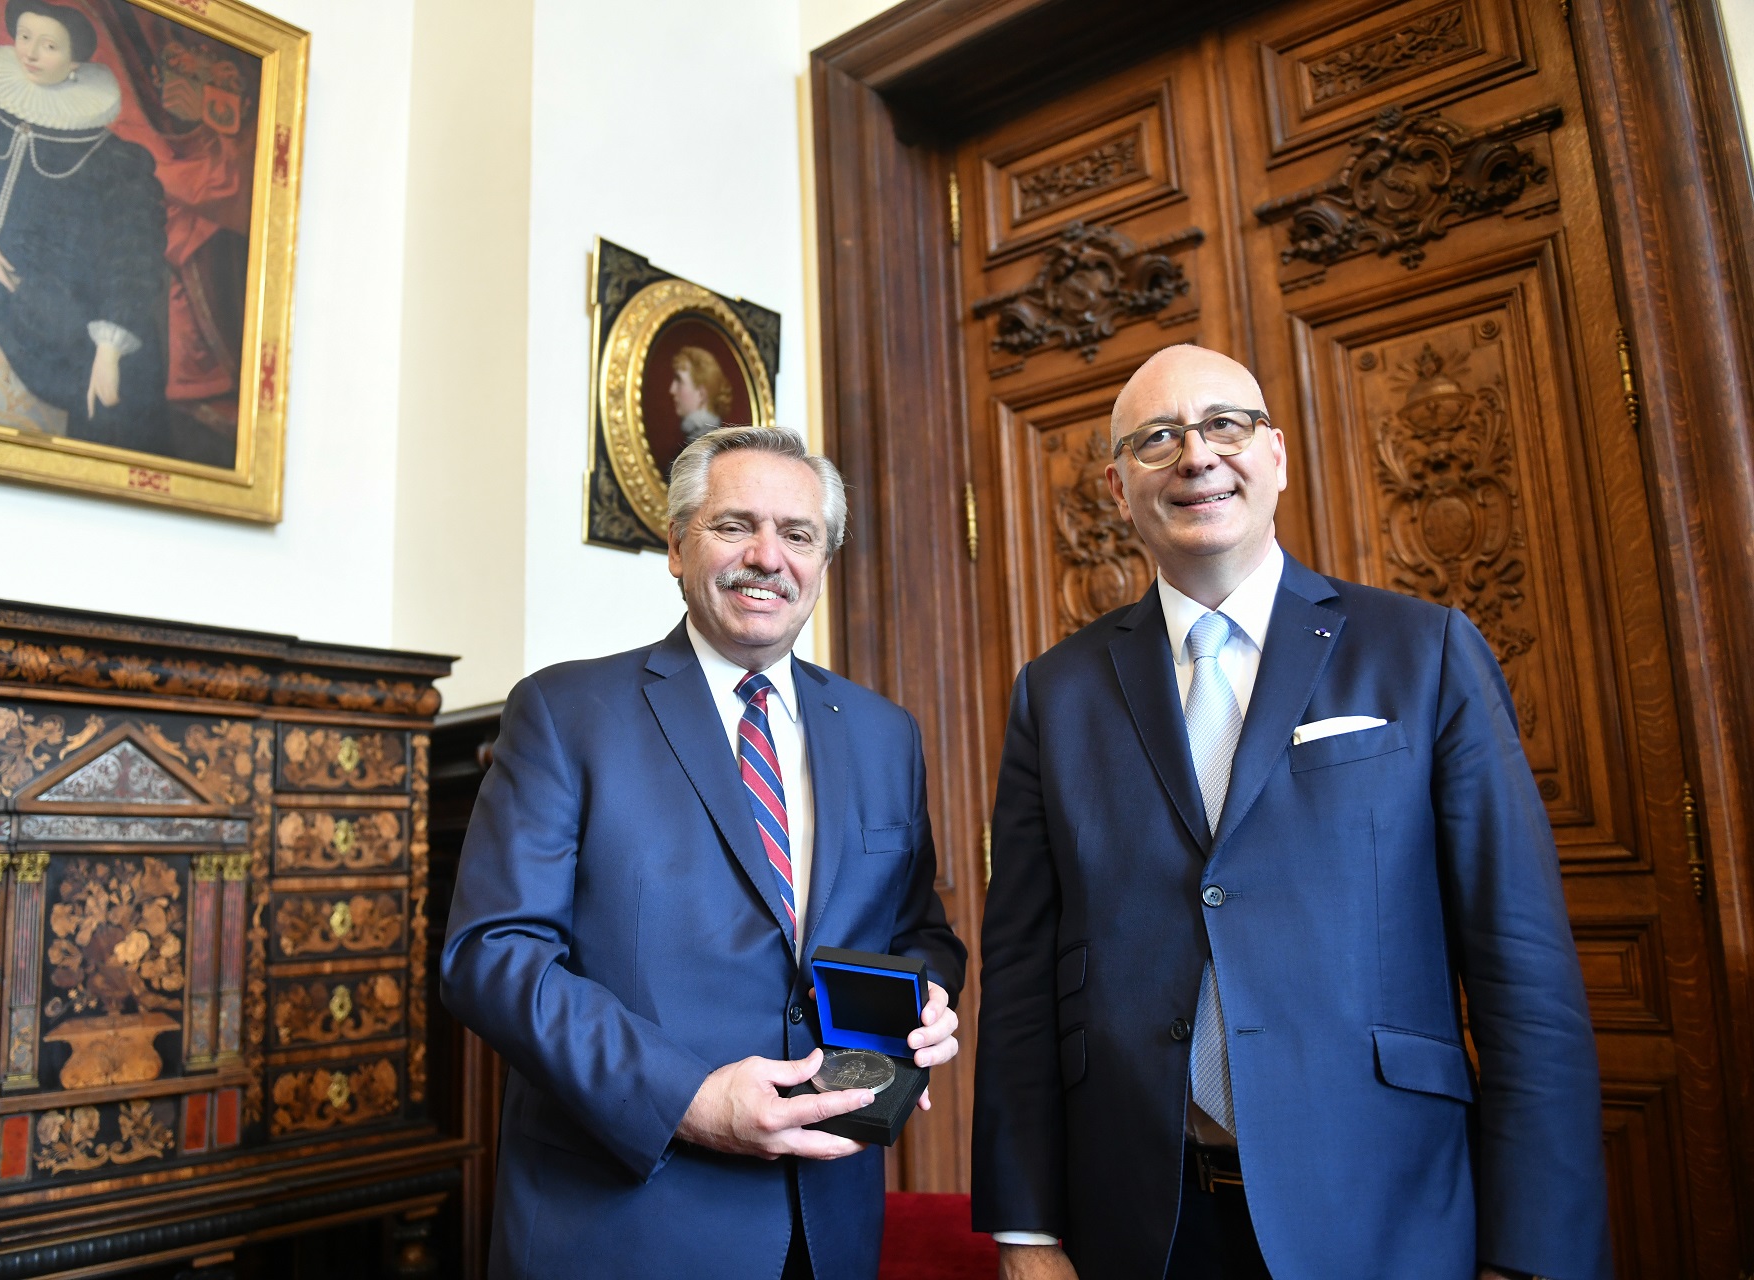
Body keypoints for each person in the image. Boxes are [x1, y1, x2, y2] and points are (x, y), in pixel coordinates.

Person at [971, 345, 1608, 1280]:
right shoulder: (1054, 694)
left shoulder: (1423, 652)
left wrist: (1534, 1253)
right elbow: (1022, 976)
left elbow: (1523, 971)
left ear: (1275, 454)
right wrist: (1024, 1228)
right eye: (1157, 439)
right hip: (1141, 1220)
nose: (1196, 456)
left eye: (1225, 425)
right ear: (1116, 487)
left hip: (1386, 1206)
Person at [442, 425, 966, 1279]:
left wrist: (927, 1000)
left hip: (826, 1225)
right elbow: (492, 956)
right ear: (677, 546)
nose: (768, 556)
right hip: (626, 1222)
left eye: (798, 535)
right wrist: (685, 1098)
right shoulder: (565, 712)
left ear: (823, 562)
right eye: (734, 526)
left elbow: (916, 930)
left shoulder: (883, 733)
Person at [0, 1, 169, 453]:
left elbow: (132, 255)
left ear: (75, 61)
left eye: (48, 45)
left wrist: (108, 349)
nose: (30, 53)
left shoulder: (113, 160)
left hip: (47, 329)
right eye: (24, 36)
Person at [670, 344, 732, 444]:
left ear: (701, 394)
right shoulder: (693, 440)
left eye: (679, 381)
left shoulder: (709, 445)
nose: (672, 390)